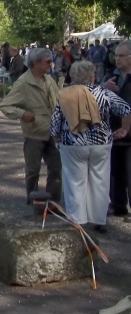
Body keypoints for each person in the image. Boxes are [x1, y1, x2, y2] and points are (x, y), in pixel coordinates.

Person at [51, 60, 131, 232]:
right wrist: (124, 129)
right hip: (101, 142)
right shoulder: (103, 92)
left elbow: (55, 121)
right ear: (92, 76)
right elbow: (125, 108)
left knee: (75, 181)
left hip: (72, 143)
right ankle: (99, 219)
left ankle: (77, 219)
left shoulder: (65, 94)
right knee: (100, 180)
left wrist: (57, 140)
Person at [0, 47, 62, 204]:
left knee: (56, 170)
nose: (51, 64)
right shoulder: (23, 83)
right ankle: (34, 203)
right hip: (35, 133)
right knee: (33, 171)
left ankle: (53, 204)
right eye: (47, 61)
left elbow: (59, 102)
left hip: (54, 133)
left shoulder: (50, 80)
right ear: (36, 63)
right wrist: (22, 114)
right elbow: (5, 105)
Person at [103, 39, 131, 221]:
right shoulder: (110, 76)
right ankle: (118, 205)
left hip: (130, 133)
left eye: (122, 56)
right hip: (113, 131)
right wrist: (103, 88)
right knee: (114, 172)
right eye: (116, 56)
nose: (118, 59)